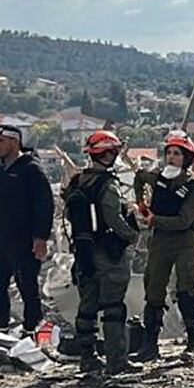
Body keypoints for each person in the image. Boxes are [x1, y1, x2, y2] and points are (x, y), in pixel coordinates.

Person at [62, 130, 140, 375]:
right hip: (108, 253)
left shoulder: (78, 182)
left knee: (87, 308)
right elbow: (113, 218)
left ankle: (88, 358)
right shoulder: (107, 184)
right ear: (109, 154)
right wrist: (132, 235)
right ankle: (117, 362)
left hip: (84, 253)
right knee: (113, 308)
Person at [0, 123, 53, 336]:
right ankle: (1, 327)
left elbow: (45, 204)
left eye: (1, 141)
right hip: (1, 237)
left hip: (24, 238)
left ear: (14, 142)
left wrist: (41, 237)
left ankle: (32, 328)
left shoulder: (30, 168)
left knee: (27, 286)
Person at [134, 130, 194, 360]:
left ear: (186, 158)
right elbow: (140, 179)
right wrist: (143, 207)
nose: (172, 157)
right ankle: (149, 345)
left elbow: (185, 220)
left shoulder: (193, 187)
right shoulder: (159, 179)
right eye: (170, 153)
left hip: (184, 242)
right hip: (160, 241)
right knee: (154, 290)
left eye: (177, 154)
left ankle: (193, 344)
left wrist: (154, 219)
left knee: (186, 290)